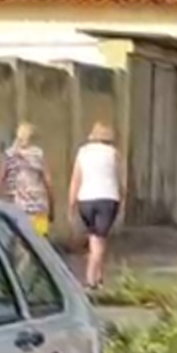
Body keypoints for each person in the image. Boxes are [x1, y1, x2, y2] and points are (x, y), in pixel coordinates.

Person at [70, 122, 124, 289]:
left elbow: (76, 179)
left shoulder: (83, 152)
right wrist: (123, 200)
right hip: (107, 199)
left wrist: (71, 203)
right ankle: (90, 278)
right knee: (99, 240)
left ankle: (98, 277)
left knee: (94, 238)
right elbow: (121, 182)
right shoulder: (114, 154)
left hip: (85, 199)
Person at [0, 122, 53, 237]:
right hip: (39, 206)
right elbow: (48, 182)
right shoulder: (38, 154)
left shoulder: (9, 154)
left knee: (20, 241)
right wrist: (52, 206)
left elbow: (2, 178)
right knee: (40, 241)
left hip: (18, 206)